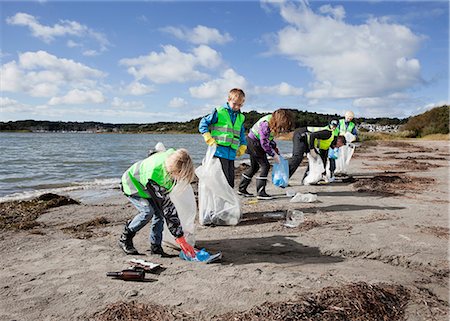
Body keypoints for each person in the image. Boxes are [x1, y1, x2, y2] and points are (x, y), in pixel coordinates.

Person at [118, 148, 197, 258]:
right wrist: (180, 238)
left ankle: (156, 247)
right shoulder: (156, 174)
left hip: (145, 185)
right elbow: (167, 208)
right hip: (131, 184)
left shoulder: (173, 156)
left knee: (159, 214)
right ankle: (125, 238)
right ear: (175, 170)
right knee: (147, 212)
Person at [238, 109, 294, 200]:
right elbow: (264, 142)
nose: (283, 127)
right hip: (254, 144)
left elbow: (269, 139)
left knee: (254, 167)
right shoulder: (266, 124)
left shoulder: (272, 122)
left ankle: (242, 189)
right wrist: (273, 155)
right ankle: (261, 192)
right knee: (265, 165)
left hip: (253, 142)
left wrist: (275, 148)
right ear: (280, 119)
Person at [198, 88, 247, 188]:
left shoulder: (241, 117)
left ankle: (227, 203)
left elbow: (241, 133)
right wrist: (208, 137)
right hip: (219, 152)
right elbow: (203, 123)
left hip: (231, 154)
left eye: (240, 105)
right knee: (222, 182)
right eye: (235, 103)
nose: (237, 107)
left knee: (230, 183)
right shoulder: (219, 112)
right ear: (228, 100)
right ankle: (221, 203)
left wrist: (243, 145)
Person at [329, 110, 358, 177]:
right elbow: (336, 131)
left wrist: (354, 137)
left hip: (346, 144)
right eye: (348, 118)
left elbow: (355, 134)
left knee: (344, 157)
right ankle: (337, 170)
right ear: (345, 116)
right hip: (339, 142)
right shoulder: (340, 122)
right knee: (338, 156)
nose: (349, 120)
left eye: (351, 119)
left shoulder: (352, 125)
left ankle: (342, 170)